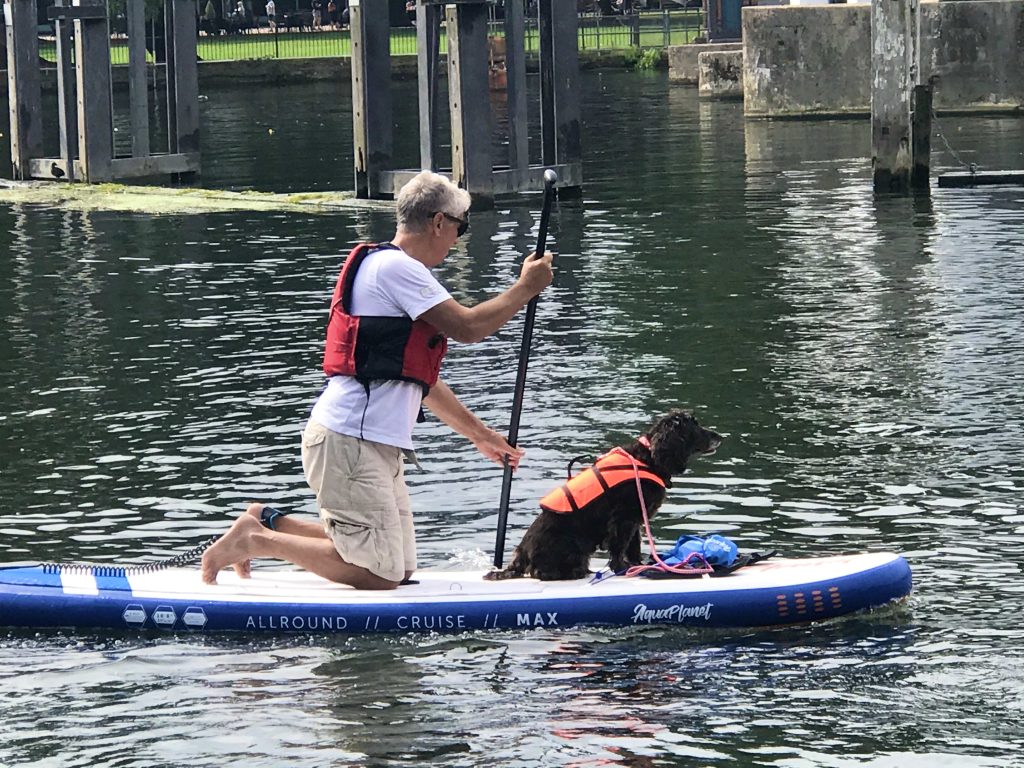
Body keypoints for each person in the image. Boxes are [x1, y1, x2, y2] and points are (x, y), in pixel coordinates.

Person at [201, 171, 554, 590]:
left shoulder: (396, 271)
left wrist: (480, 435)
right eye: (462, 227)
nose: (459, 239)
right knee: (379, 572)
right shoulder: (395, 269)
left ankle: (267, 521)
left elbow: (419, 379)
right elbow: (468, 328)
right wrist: (525, 289)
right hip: (350, 440)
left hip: (370, 444)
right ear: (439, 222)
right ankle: (257, 540)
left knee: (398, 567)